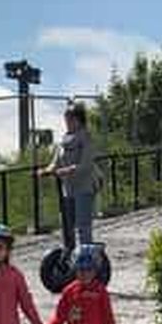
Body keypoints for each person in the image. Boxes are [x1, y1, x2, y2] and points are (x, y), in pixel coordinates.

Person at [39, 103, 99, 253]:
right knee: (67, 223)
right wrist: (46, 170)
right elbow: (56, 161)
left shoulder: (86, 137)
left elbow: (86, 164)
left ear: (79, 120)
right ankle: (69, 252)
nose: (68, 122)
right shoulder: (64, 139)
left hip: (83, 187)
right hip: (68, 188)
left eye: (71, 119)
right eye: (66, 119)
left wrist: (67, 170)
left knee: (83, 224)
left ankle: (86, 254)